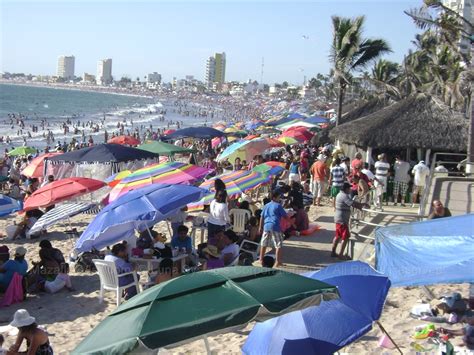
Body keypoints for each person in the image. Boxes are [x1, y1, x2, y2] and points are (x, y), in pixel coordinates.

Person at [331, 183, 369, 259]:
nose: (350, 189)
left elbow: (352, 203)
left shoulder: (339, 195)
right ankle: (341, 255)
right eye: (349, 188)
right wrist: (362, 205)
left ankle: (333, 252)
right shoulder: (344, 196)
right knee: (345, 237)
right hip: (342, 220)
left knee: (338, 236)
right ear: (345, 189)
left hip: (339, 218)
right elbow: (352, 203)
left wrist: (360, 206)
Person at [259, 191, 287, 267]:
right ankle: (277, 261)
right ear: (274, 198)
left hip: (266, 226)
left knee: (263, 243)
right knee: (278, 244)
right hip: (275, 226)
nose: (279, 199)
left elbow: (262, 217)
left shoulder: (266, 205)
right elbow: (285, 216)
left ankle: (261, 260)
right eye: (278, 197)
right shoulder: (278, 206)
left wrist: (260, 227)